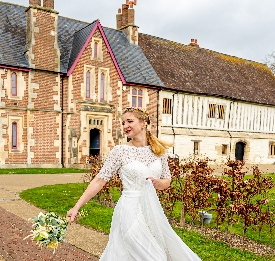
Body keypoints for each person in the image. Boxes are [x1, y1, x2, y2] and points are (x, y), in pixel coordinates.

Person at [67, 107, 202, 261]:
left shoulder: (159, 151)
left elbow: (167, 181)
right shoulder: (120, 151)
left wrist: (158, 183)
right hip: (129, 210)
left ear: (144, 123)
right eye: (123, 123)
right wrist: (76, 206)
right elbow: (99, 180)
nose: (125, 126)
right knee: (151, 256)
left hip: (152, 211)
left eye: (130, 121)